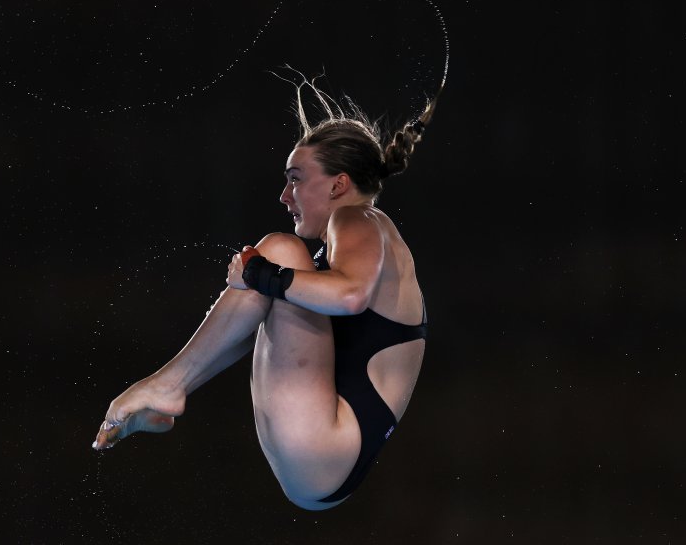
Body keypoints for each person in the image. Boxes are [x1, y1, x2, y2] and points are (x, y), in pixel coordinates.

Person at [93, 80, 438, 510]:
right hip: (326, 460)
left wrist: (259, 271)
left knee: (280, 252)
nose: (285, 196)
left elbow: (350, 296)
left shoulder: (358, 220)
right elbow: (250, 326)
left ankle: (167, 386)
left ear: (337, 185)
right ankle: (170, 389)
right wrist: (262, 281)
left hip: (326, 445)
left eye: (296, 180)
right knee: (280, 271)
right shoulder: (363, 241)